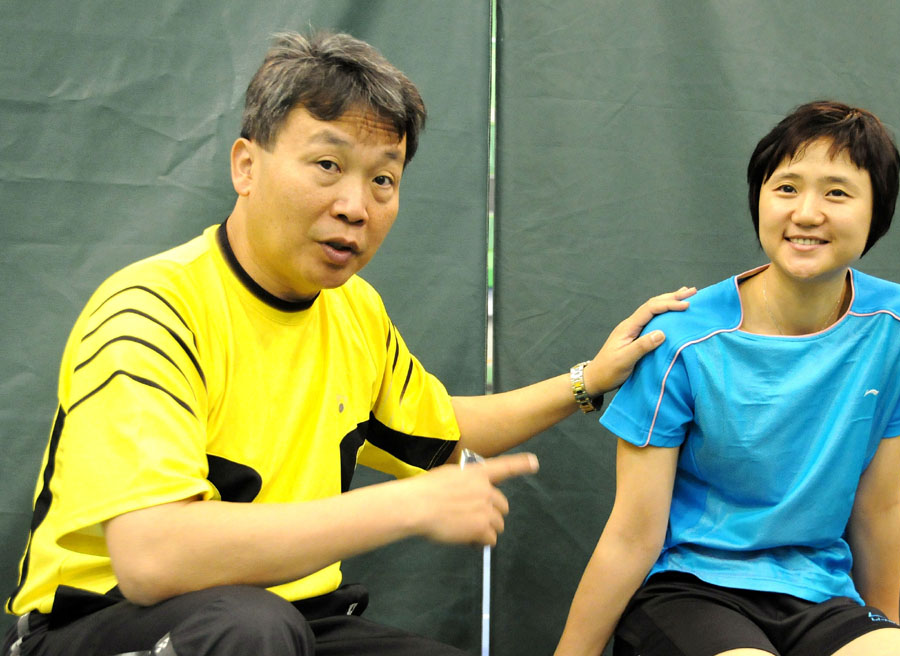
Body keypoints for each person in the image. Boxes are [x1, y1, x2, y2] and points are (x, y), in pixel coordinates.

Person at [1, 31, 695, 656]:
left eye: (383, 179)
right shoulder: (151, 309)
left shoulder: (354, 311)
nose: (356, 206)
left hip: (295, 620)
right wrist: (404, 508)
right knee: (249, 629)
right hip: (108, 623)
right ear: (246, 166)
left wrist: (589, 380)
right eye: (327, 165)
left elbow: (443, 433)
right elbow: (151, 557)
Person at [554, 100, 900, 656]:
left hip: (821, 594)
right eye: (786, 188)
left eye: (837, 193)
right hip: (689, 590)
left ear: (876, 212)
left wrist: (883, 629)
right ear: (759, 200)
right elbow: (632, 534)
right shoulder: (678, 337)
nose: (807, 213)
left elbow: (879, 505)